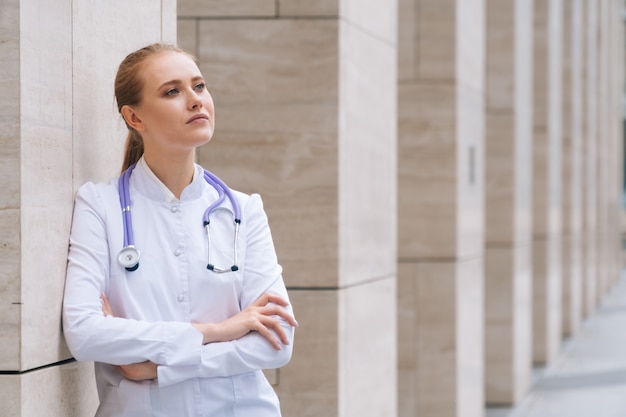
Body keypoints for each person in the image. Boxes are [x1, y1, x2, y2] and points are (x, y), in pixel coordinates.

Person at [62, 43, 297, 417]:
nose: (195, 101)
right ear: (134, 117)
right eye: (172, 91)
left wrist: (158, 367)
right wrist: (221, 330)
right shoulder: (100, 206)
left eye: (199, 86)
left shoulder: (243, 210)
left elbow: (277, 344)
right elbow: (85, 334)